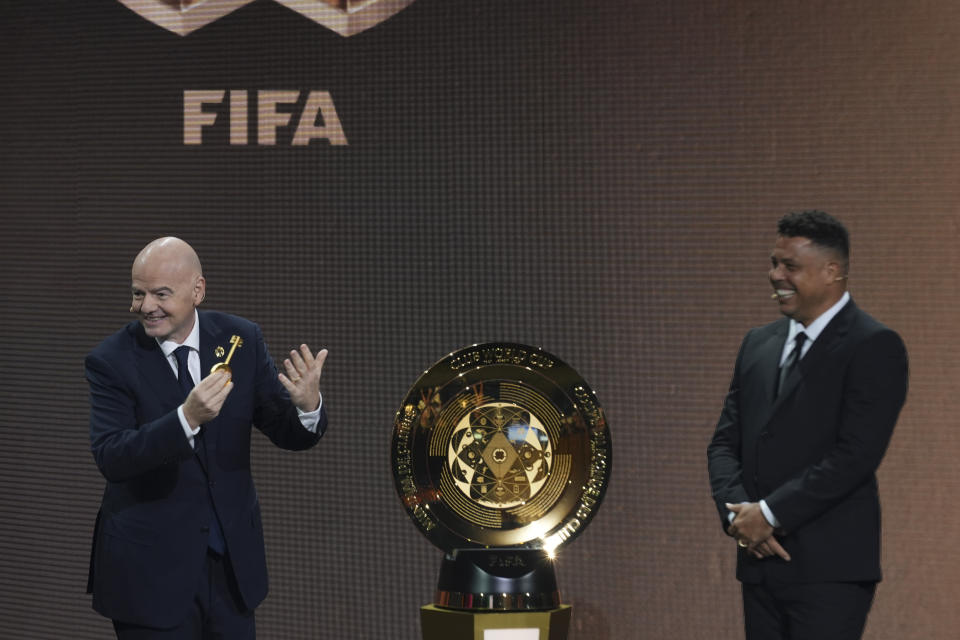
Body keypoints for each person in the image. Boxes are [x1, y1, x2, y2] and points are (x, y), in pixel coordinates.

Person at [85, 237, 329, 639]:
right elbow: (112, 456)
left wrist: (307, 406)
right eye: (138, 293)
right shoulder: (110, 360)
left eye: (161, 294)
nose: (146, 306)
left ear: (197, 290)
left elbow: (285, 430)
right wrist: (185, 419)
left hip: (231, 570)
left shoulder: (241, 339)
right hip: (150, 574)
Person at [707, 211, 908, 640]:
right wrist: (742, 516)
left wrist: (771, 514)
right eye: (774, 263)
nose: (774, 275)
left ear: (832, 271)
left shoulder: (873, 345)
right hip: (760, 564)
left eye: (790, 267)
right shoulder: (758, 343)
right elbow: (725, 443)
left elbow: (855, 455)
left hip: (829, 569)